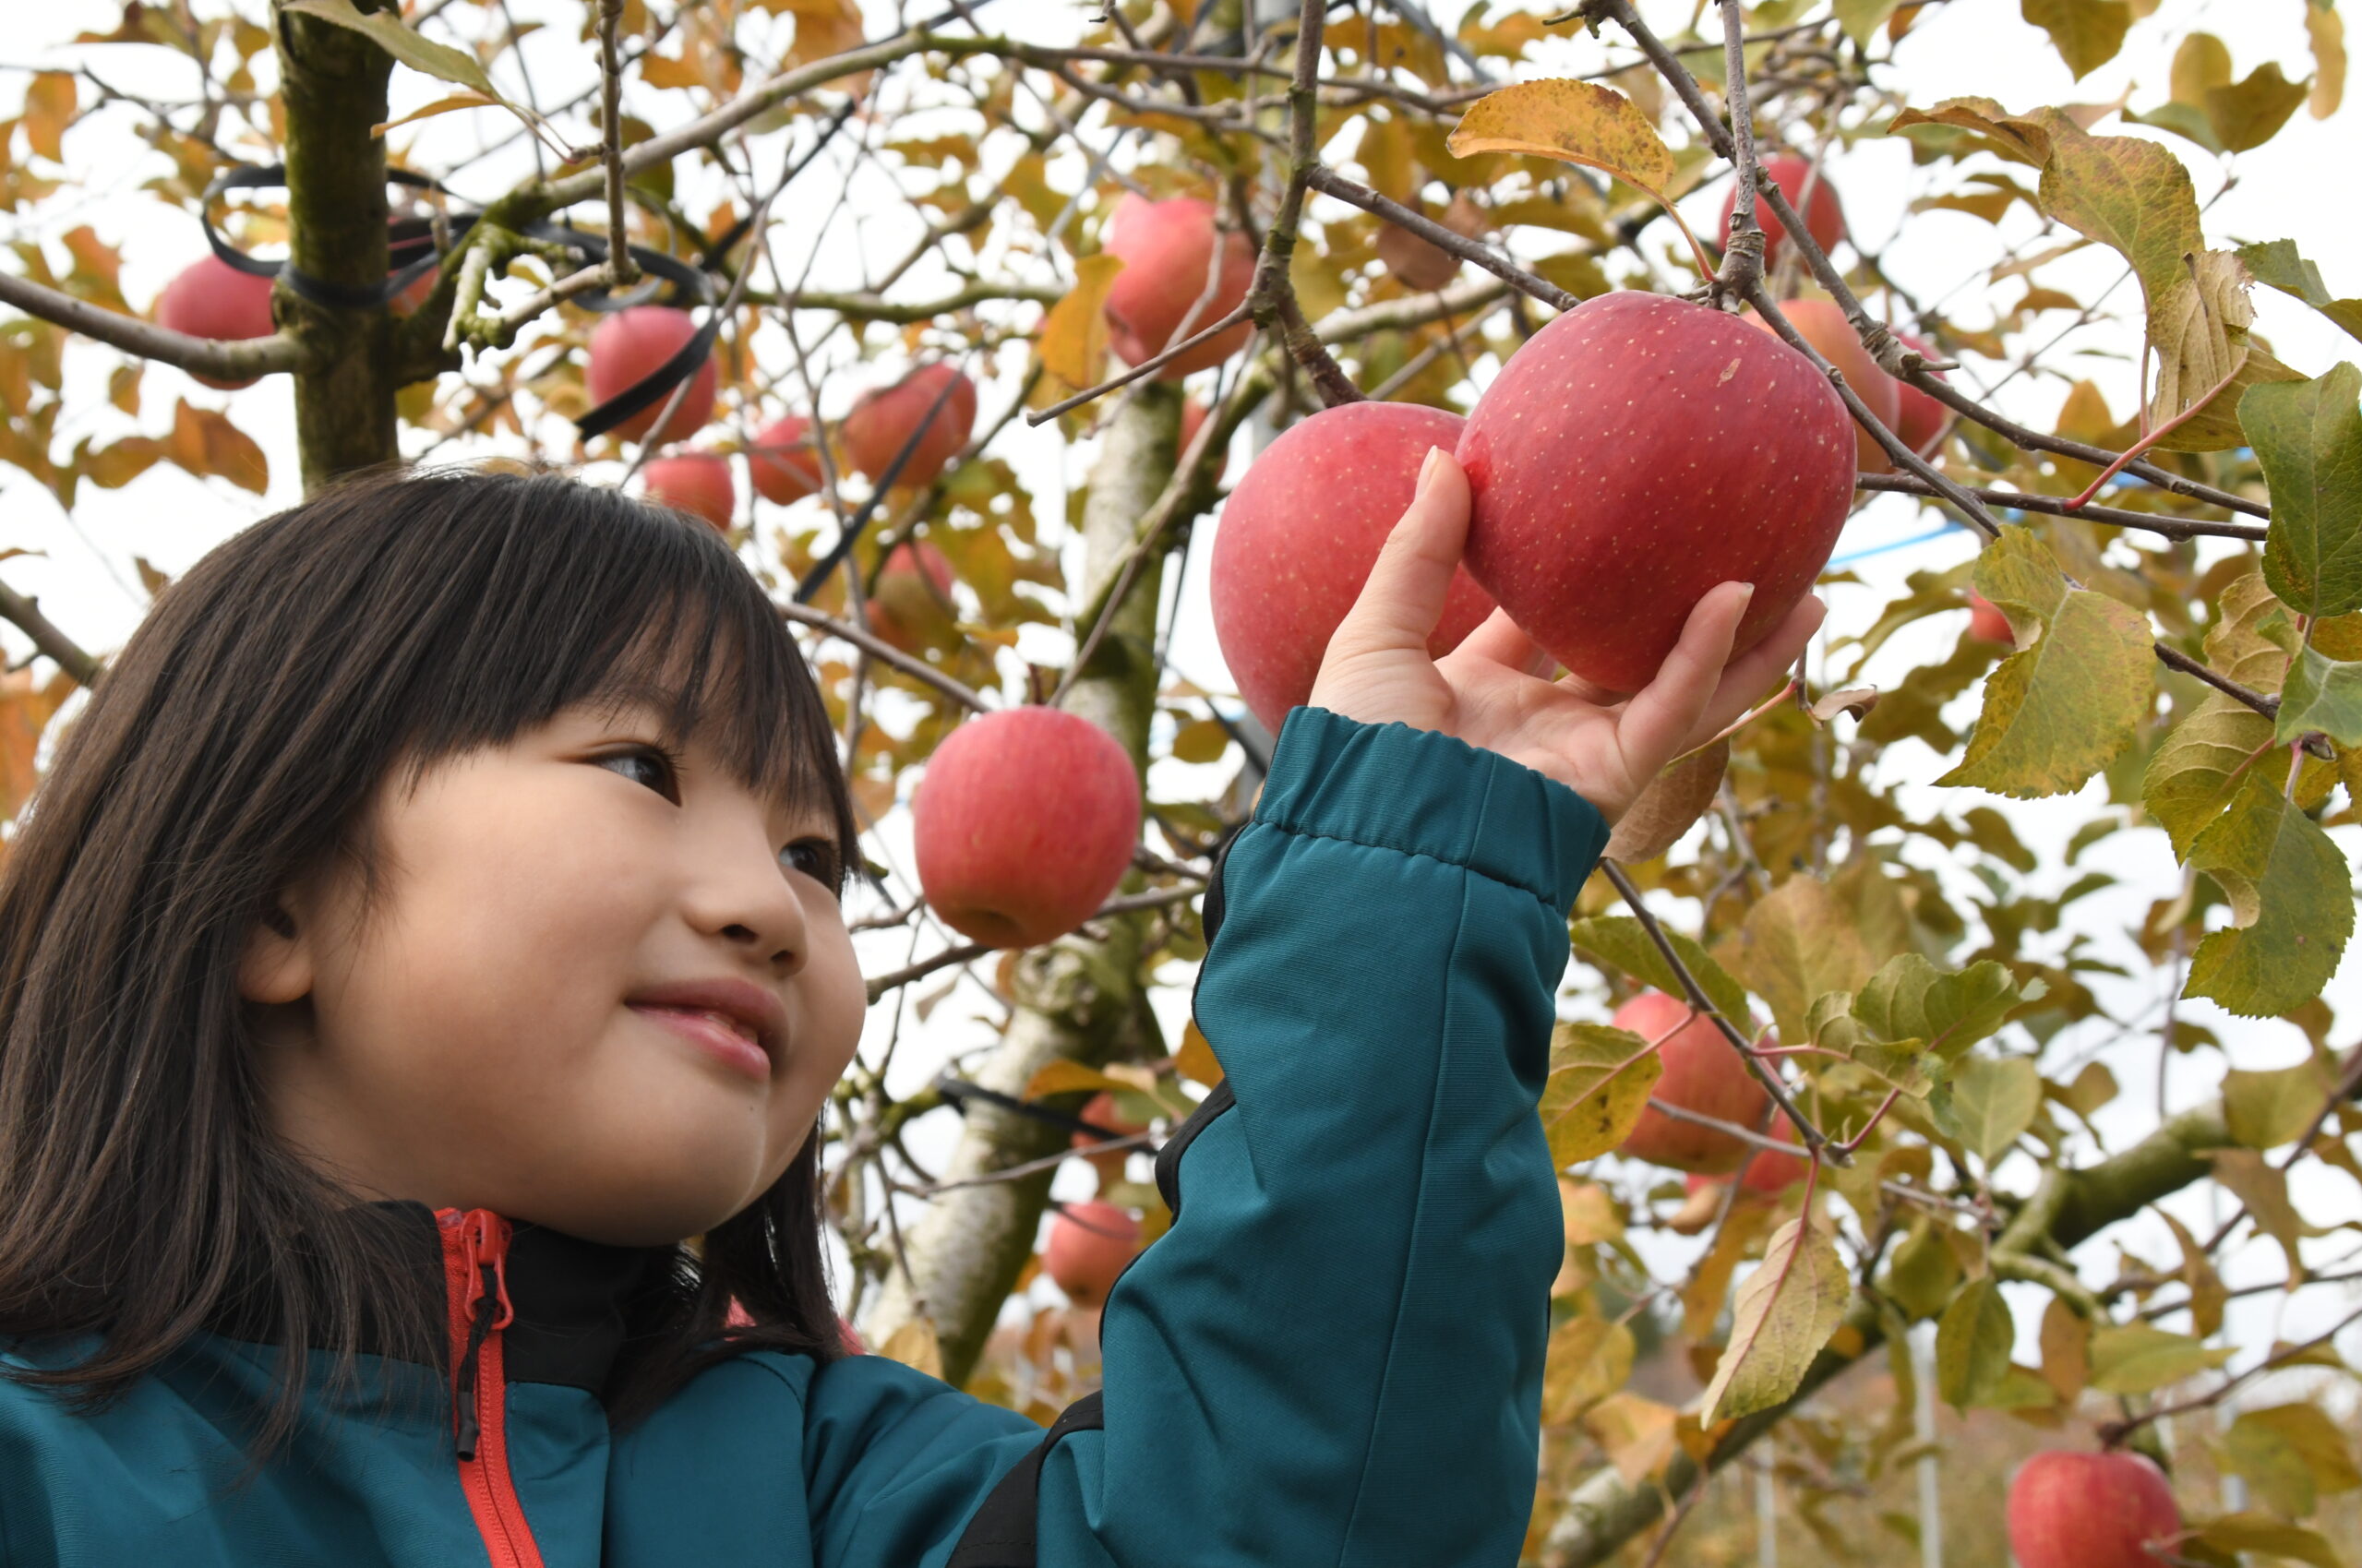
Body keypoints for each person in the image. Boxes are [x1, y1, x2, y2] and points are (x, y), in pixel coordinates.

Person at [0, 451, 1819, 1565]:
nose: (769, 906)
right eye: (639, 764)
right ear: (274, 896)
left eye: (816, 856)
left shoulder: (833, 1492)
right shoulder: (48, 1458)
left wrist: (1412, 878)